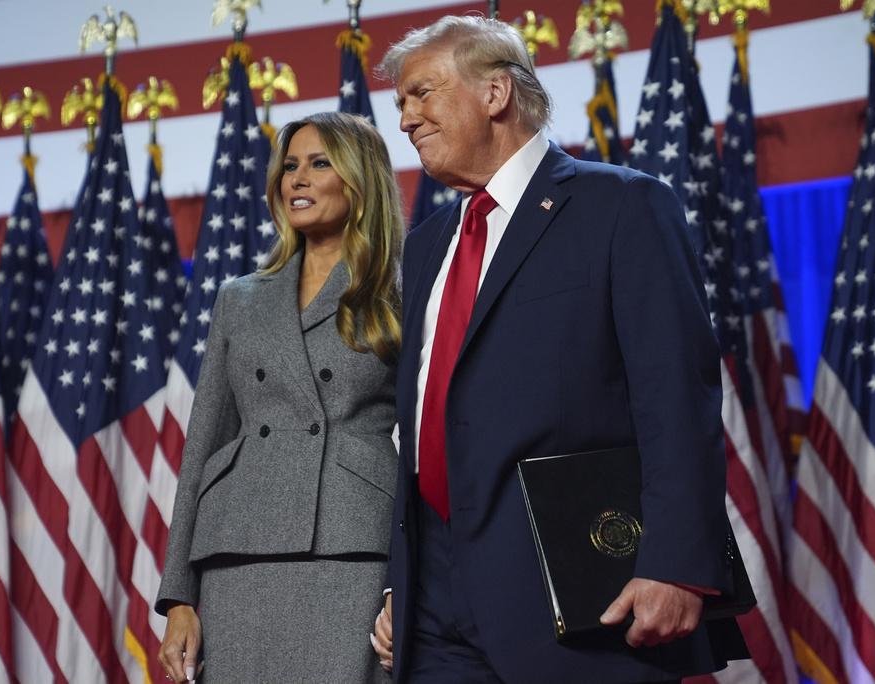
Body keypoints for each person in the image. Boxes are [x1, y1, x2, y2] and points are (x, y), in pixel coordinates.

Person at [369, 15, 747, 683]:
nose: (405, 120)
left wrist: (675, 564)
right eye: (400, 102)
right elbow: (424, 418)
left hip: (580, 587)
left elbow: (676, 397)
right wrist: (404, 578)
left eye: (422, 93)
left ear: (495, 93)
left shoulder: (622, 206)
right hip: (434, 605)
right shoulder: (425, 245)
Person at [156, 111, 403, 683]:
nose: (297, 179)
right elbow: (204, 445)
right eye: (290, 166)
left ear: (359, 178)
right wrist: (179, 597)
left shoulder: (400, 290)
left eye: (319, 164)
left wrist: (409, 580)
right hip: (237, 552)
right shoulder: (239, 299)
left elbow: (427, 446)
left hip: (352, 544)